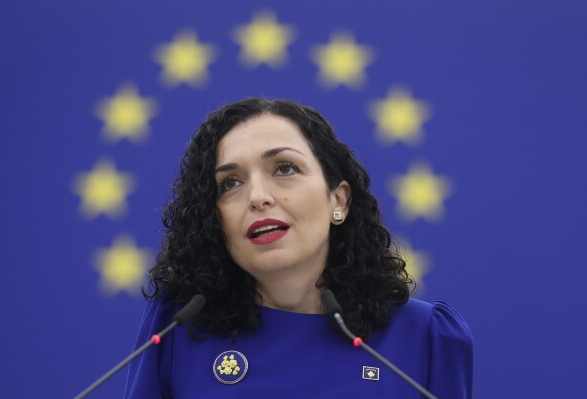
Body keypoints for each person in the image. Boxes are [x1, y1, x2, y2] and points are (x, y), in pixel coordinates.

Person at [124, 98, 473, 398]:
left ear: (339, 200)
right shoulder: (176, 327)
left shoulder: (426, 335)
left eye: (284, 168)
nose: (258, 197)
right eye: (230, 183)